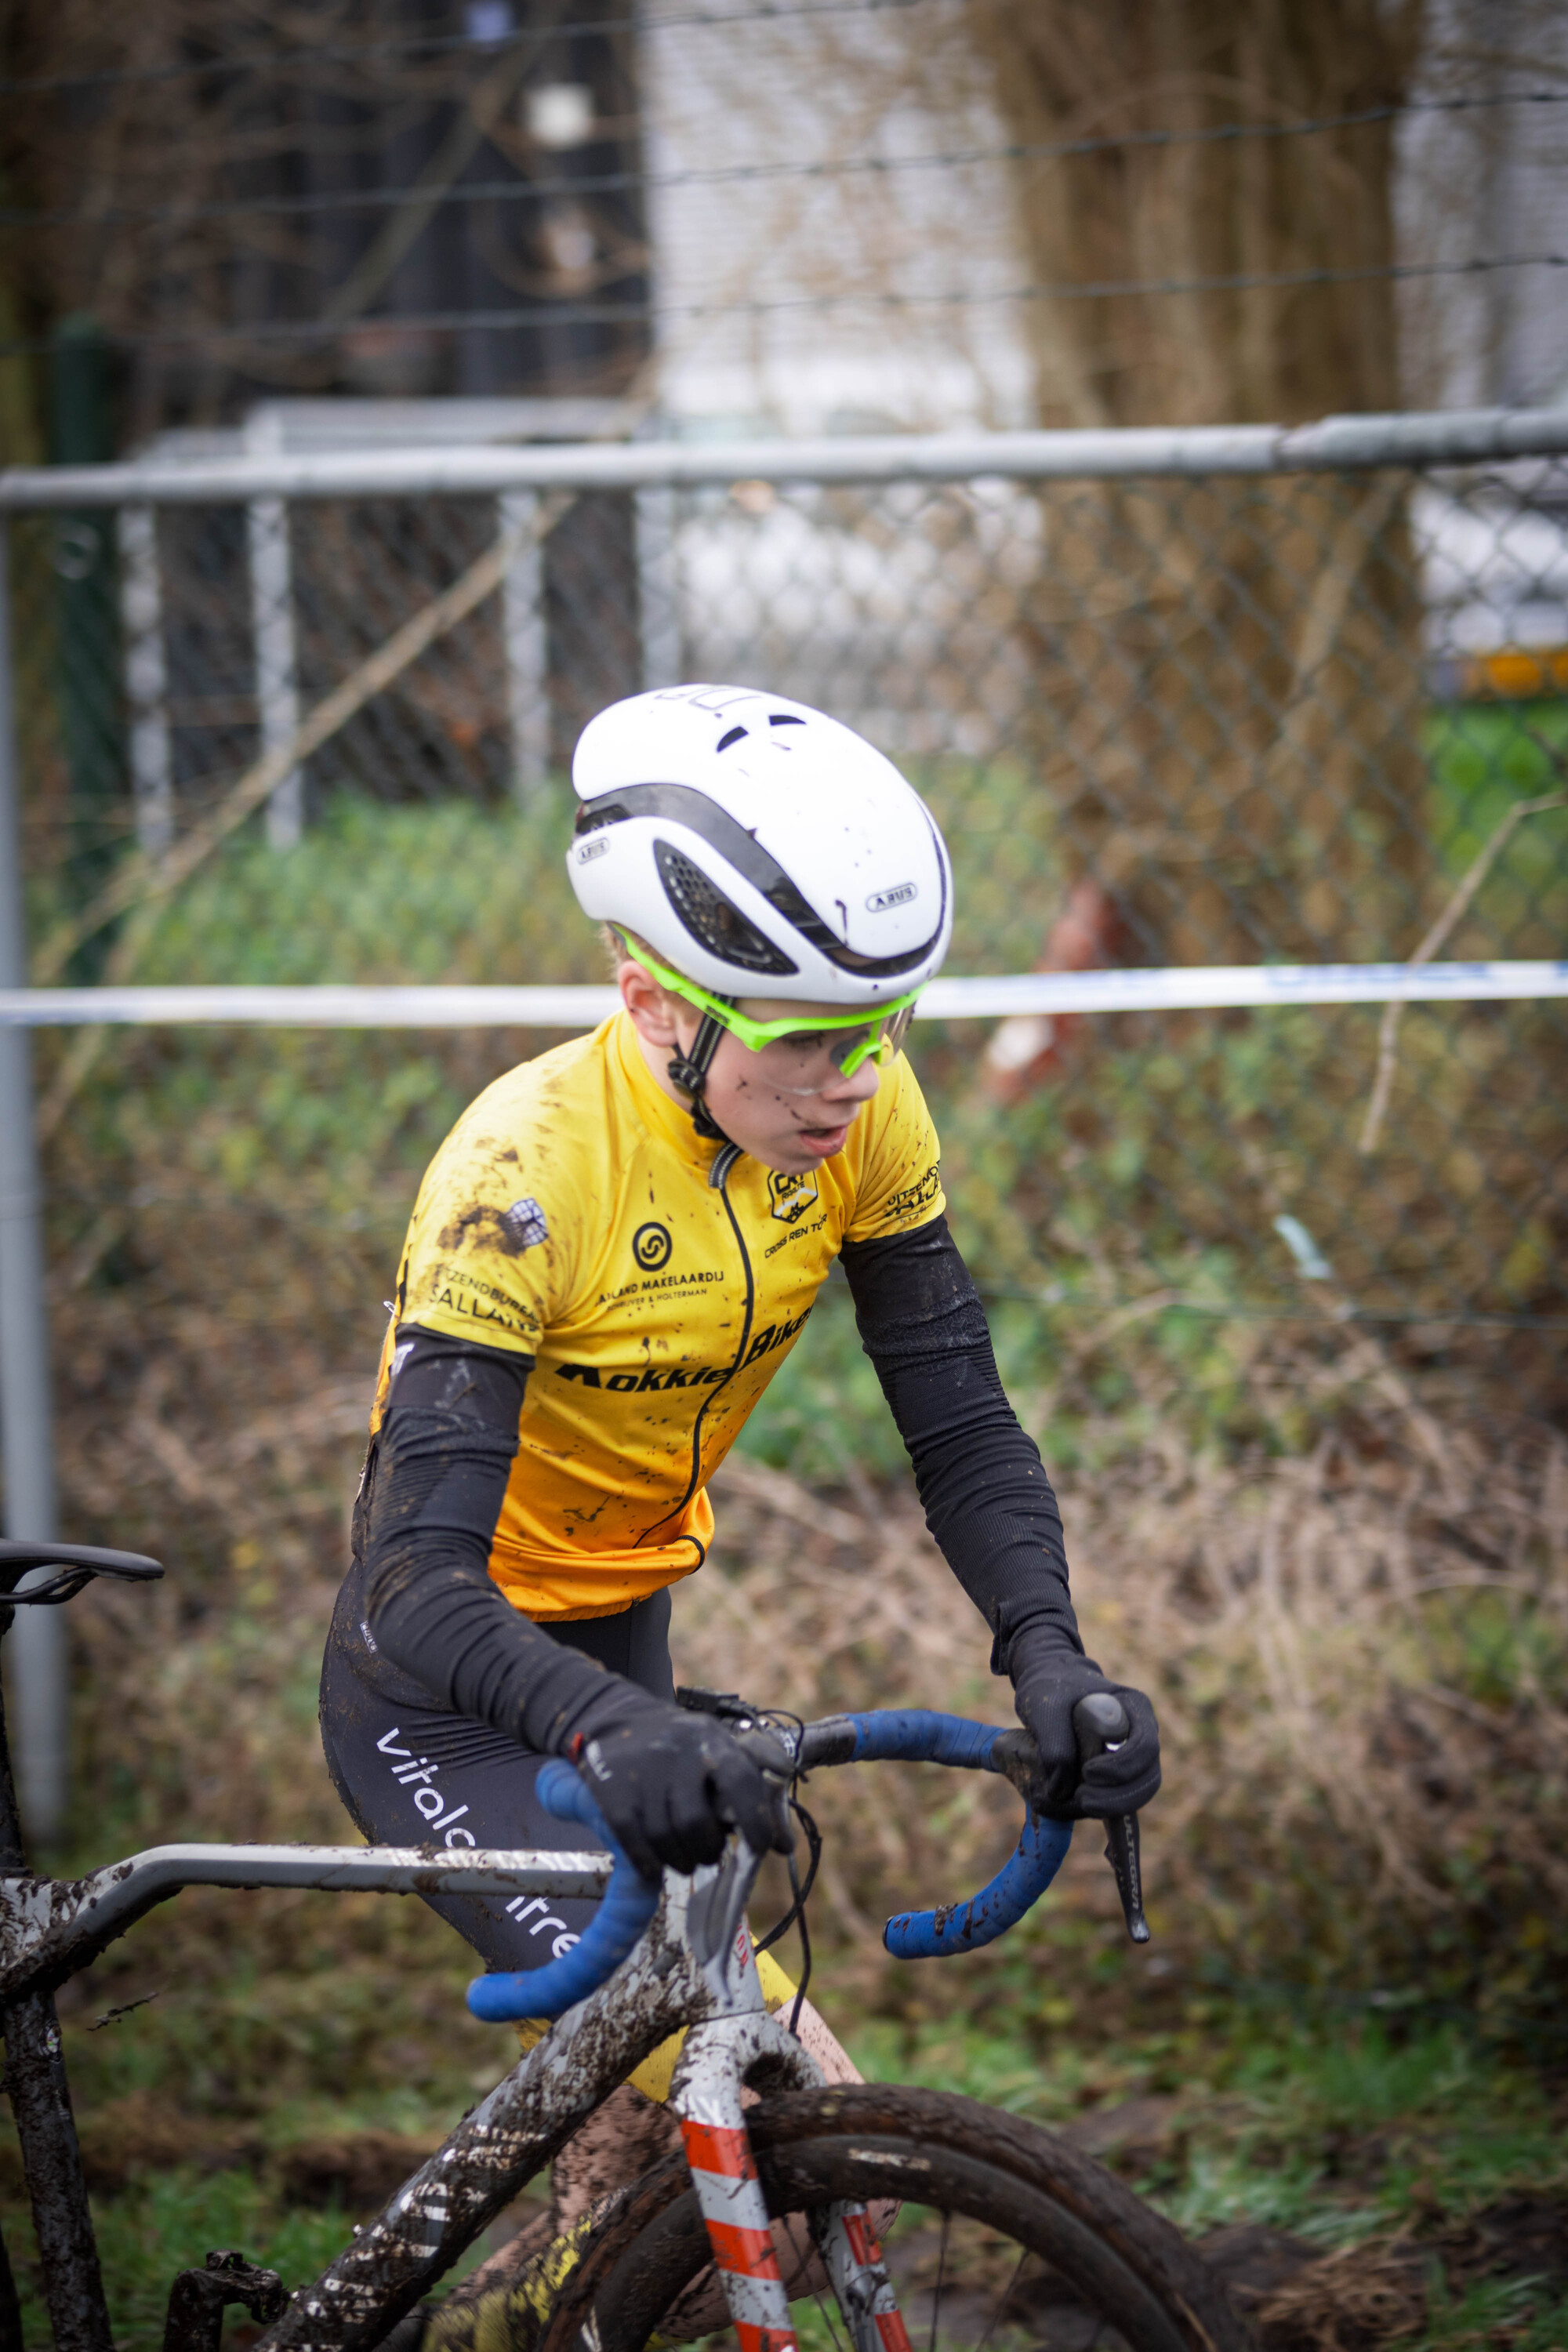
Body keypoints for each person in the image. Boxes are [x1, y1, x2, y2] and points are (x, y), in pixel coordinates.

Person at [318, 681, 1160, 2338]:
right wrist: (595, 1730)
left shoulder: (855, 1107)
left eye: (883, 1029)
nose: (854, 1083)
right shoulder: (523, 1176)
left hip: (618, 1668)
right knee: (779, 2112)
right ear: (652, 999)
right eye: (808, 1040)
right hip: (449, 1695)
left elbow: (960, 1416)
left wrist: (1046, 1652)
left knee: (659, 2172)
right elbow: (412, 1579)